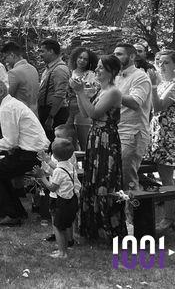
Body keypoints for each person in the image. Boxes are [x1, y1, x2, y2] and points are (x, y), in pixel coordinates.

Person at [0, 79, 49, 227]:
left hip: (31, 154)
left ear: (1, 91)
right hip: (33, 152)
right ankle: (16, 212)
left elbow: (10, 143)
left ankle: (10, 214)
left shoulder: (7, 107)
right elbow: (12, 141)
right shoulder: (11, 104)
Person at [72, 55, 126, 242]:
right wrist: (79, 93)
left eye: (101, 68)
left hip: (106, 139)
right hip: (95, 136)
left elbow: (95, 113)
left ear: (111, 72)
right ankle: (92, 227)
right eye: (98, 67)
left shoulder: (113, 92)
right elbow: (86, 113)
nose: (97, 70)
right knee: (92, 179)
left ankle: (108, 227)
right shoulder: (100, 90)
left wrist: (80, 93)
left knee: (104, 180)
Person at [146, 49, 175, 231]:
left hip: (169, 132)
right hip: (157, 129)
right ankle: (167, 213)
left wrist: (153, 87)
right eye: (158, 61)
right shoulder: (164, 82)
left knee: (166, 176)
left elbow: (158, 107)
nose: (161, 65)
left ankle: (170, 217)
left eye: (166, 62)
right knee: (158, 173)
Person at [114, 43, 152, 192]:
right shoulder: (116, 77)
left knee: (127, 178)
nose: (115, 57)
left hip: (133, 133)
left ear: (132, 56)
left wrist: (111, 94)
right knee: (116, 176)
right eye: (114, 54)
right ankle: (119, 214)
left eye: (119, 54)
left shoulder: (140, 76)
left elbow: (136, 102)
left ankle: (131, 214)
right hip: (116, 131)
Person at [39, 138, 79, 259]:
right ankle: (65, 247)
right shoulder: (69, 165)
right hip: (72, 199)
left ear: (54, 155)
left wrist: (42, 177)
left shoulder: (57, 171)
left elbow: (52, 187)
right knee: (66, 224)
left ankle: (62, 253)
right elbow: (57, 166)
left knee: (58, 227)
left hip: (62, 202)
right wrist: (47, 160)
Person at [65, 47, 98, 151]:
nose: (82, 61)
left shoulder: (91, 75)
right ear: (75, 58)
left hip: (83, 109)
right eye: (80, 57)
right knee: (69, 141)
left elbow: (91, 93)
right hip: (68, 110)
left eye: (85, 59)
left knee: (85, 142)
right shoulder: (69, 72)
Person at [37, 39, 70, 139]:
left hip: (55, 113)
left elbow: (60, 95)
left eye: (42, 51)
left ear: (51, 51)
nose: (40, 55)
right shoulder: (49, 68)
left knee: (54, 143)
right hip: (48, 111)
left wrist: (51, 116)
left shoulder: (59, 69)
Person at [2, 41, 40, 115]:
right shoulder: (33, 68)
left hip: (21, 114)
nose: (5, 61)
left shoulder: (13, 73)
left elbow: (9, 96)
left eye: (5, 57)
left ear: (12, 55)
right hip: (34, 113)